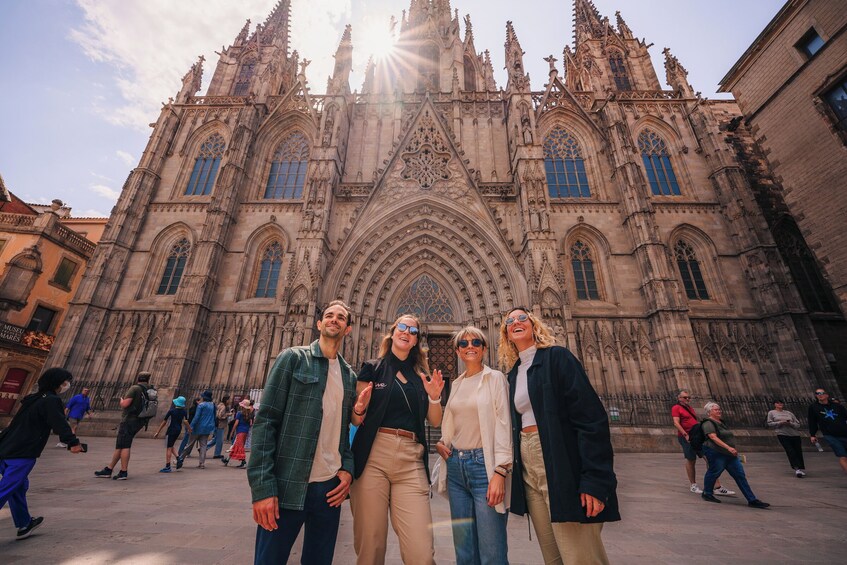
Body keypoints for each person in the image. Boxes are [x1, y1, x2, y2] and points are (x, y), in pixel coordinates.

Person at [500, 307, 619, 565]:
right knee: (552, 557)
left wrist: (595, 481)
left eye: (522, 318)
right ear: (506, 333)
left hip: (559, 458)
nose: (516, 322)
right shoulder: (514, 373)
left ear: (534, 325)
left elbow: (591, 419)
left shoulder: (558, 358)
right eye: (510, 321)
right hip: (529, 463)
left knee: (580, 556)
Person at [248, 300, 359, 565]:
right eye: (329, 315)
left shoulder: (348, 376)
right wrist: (262, 487)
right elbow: (266, 421)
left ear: (349, 329)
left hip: (328, 489)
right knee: (269, 560)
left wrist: (348, 468)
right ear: (319, 323)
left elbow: (344, 431)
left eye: (341, 317)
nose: (334, 320)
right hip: (288, 484)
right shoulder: (293, 359)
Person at [350, 314, 444, 565]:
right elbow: (356, 418)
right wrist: (359, 408)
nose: (407, 332)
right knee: (370, 547)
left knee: (421, 553)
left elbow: (435, 421)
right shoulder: (372, 368)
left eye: (413, 331)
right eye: (402, 327)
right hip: (373, 456)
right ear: (392, 332)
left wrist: (434, 397)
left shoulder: (420, 376)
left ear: (416, 340)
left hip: (410, 459)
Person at [436, 326, 511, 565]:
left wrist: (501, 471)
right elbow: (453, 422)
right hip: (457, 468)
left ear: (484, 348)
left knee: (492, 552)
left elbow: (503, 425)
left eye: (476, 342)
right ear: (457, 351)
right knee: (465, 553)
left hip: (484, 469)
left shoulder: (495, 378)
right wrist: (443, 443)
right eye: (464, 344)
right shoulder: (456, 384)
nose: (470, 347)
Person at [0, 368, 85, 540]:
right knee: (6, 488)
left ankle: (24, 523)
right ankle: (24, 523)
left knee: (18, 486)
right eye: (65, 382)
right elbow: (59, 423)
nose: (67, 385)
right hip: (22, 452)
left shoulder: (33, 398)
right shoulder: (52, 400)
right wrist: (73, 442)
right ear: (56, 383)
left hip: (5, 448)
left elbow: (15, 424)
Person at [700, 402, 770, 508]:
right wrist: (728, 447)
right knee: (714, 473)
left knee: (740, 475)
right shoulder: (708, 423)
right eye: (716, 410)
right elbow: (713, 437)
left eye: (719, 409)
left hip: (729, 454)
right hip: (717, 453)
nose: (719, 411)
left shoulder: (721, 422)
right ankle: (707, 493)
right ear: (709, 412)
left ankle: (752, 499)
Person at [671, 390, 733, 495]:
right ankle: (693, 485)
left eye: (689, 397)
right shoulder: (676, 408)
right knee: (691, 459)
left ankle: (716, 486)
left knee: (709, 458)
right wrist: (685, 434)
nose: (688, 399)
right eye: (685, 397)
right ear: (679, 398)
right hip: (686, 437)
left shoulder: (689, 408)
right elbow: (676, 422)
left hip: (696, 436)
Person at [94, 371, 154, 480]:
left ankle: (123, 471)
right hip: (140, 421)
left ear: (138, 378)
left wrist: (121, 401)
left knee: (125, 445)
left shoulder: (135, 388)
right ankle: (109, 469)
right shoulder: (149, 390)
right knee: (120, 445)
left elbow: (125, 404)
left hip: (129, 420)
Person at [809, 387, 847, 474]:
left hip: (844, 432)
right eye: (817, 394)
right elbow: (812, 421)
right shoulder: (813, 407)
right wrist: (812, 434)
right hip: (830, 435)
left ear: (827, 395)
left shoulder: (837, 406)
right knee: (843, 456)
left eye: (822, 393)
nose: (820, 395)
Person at [177, 390, 215, 469]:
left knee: (189, 444)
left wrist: (191, 427)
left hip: (198, 427)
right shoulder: (213, 405)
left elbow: (196, 417)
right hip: (207, 428)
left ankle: (180, 459)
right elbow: (213, 417)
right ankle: (202, 463)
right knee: (204, 446)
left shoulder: (201, 405)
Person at [767, 399, 805, 478]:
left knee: (798, 451)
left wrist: (790, 423)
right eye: (778, 402)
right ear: (775, 404)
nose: (780, 404)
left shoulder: (789, 413)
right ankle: (796, 468)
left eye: (781, 403)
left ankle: (800, 468)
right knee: (790, 450)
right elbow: (769, 423)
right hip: (782, 434)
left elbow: (797, 424)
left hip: (794, 434)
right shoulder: (771, 412)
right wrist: (779, 422)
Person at [153, 396, 189, 473]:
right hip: (178, 429)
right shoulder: (184, 412)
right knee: (171, 445)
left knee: (168, 447)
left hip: (171, 429)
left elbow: (164, 422)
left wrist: (158, 431)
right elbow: (186, 422)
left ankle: (168, 466)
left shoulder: (172, 411)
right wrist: (189, 429)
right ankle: (178, 458)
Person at [223, 398, 253, 468]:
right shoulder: (249, 414)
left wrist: (232, 432)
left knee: (239, 447)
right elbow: (251, 424)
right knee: (236, 445)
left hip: (240, 431)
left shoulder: (239, 413)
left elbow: (236, 423)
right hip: (245, 432)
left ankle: (244, 462)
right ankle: (227, 460)